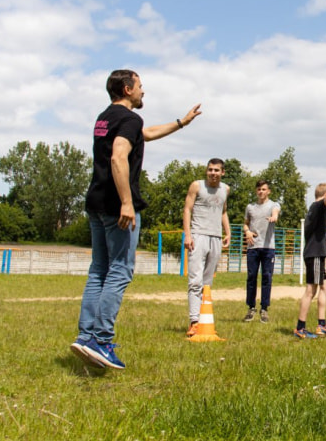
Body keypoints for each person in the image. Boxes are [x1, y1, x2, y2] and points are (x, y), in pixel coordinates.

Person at [70, 69, 200, 370]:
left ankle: (85, 335)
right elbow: (118, 157)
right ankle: (101, 340)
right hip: (118, 207)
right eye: (140, 86)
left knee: (98, 271)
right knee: (119, 271)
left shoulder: (105, 118)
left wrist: (182, 122)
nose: (144, 91)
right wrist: (127, 202)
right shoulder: (129, 119)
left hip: (96, 203)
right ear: (128, 89)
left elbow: (146, 135)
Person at [183, 159, 230, 337]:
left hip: (216, 237)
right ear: (206, 171)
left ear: (222, 172)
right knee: (195, 281)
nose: (213, 173)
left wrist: (228, 232)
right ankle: (194, 321)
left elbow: (223, 211)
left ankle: (204, 320)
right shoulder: (196, 186)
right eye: (210, 170)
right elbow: (187, 209)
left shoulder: (225, 189)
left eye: (217, 170)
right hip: (198, 235)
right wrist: (188, 235)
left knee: (207, 283)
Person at [295, 183, 326, 339]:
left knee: (325, 287)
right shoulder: (317, 206)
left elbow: (315, 236)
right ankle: (300, 328)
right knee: (311, 291)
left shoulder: (314, 210)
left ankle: (322, 325)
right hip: (314, 255)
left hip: (317, 253)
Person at [243, 180, 281, 324]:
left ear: (268, 191)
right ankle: (251, 308)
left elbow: (275, 213)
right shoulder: (250, 207)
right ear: (256, 191)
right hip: (253, 247)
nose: (261, 192)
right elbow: (245, 224)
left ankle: (264, 309)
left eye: (264, 189)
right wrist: (247, 232)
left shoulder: (273, 205)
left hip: (268, 248)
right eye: (259, 189)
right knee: (251, 277)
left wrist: (274, 217)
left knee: (267, 277)